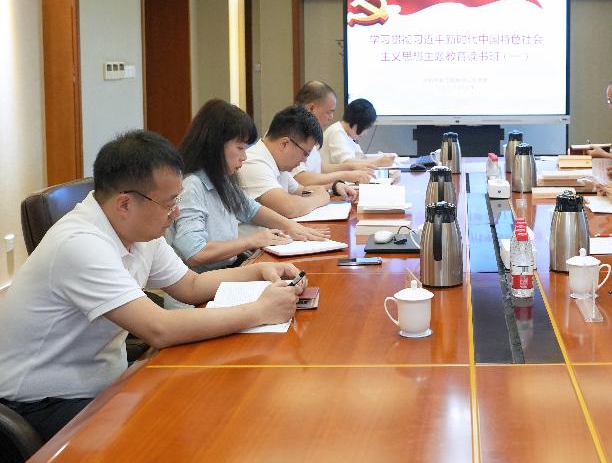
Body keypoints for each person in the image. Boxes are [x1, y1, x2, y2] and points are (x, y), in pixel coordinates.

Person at [0, 131, 307, 442]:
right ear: (125, 203)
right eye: (170, 202)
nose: (176, 212)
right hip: (43, 403)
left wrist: (259, 271)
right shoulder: (80, 244)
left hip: (103, 382)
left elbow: (190, 285)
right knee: (180, 432)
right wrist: (259, 310)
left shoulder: (137, 230)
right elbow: (159, 328)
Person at [167, 99, 329, 273]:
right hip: (203, 283)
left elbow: (251, 210)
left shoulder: (220, 179)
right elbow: (195, 253)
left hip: (227, 271)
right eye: (240, 148)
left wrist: (290, 226)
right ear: (216, 145)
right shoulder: (191, 186)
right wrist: (253, 240)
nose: (244, 157)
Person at [236, 105, 354, 219]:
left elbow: (301, 191)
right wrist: (319, 199)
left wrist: (334, 187)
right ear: (284, 144)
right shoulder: (253, 162)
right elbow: (288, 207)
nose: (305, 160)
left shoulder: (278, 163)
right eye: (305, 153)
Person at [291, 81, 375, 187]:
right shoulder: (293, 133)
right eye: (329, 112)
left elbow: (318, 167)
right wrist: (345, 175)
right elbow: (301, 178)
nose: (331, 117)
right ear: (312, 108)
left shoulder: (308, 133)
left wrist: (351, 168)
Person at [322, 98, 393, 167]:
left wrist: (381, 158)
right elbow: (347, 163)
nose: (365, 133)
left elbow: (361, 158)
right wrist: (378, 163)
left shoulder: (346, 135)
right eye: (366, 128)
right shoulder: (336, 132)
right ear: (359, 123)